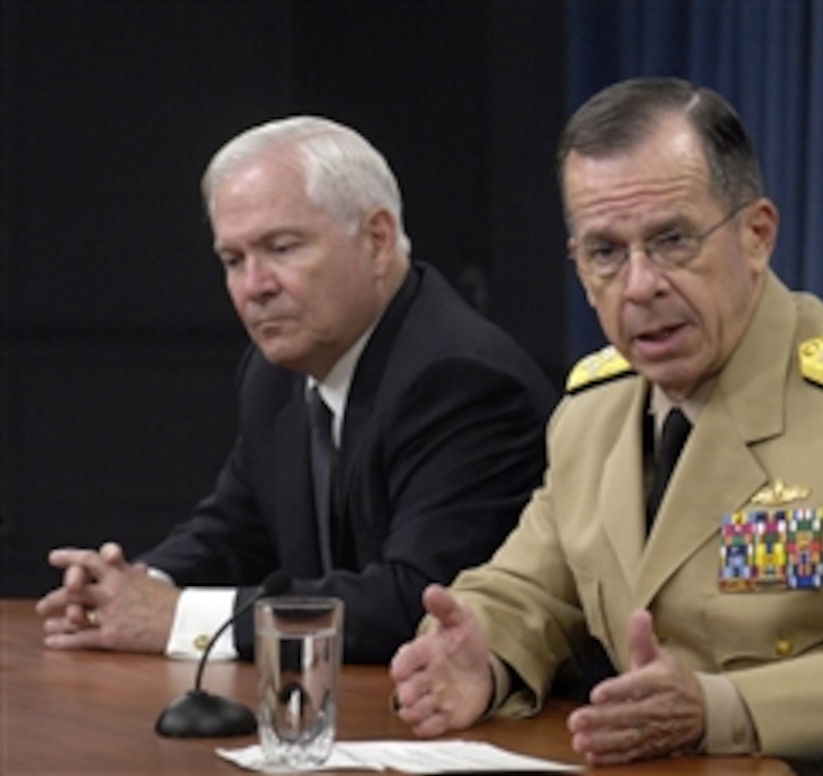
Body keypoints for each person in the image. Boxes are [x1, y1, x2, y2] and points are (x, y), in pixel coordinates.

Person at [389, 78, 823, 774]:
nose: (640, 285)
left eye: (672, 240)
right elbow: (534, 588)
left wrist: (717, 708)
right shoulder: (592, 411)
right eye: (605, 252)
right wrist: (481, 651)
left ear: (757, 235)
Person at [36, 116, 557, 664]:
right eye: (233, 261)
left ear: (377, 241)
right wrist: (128, 584)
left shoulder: (461, 379)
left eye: (282, 248)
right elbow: (235, 532)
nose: (254, 287)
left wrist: (177, 618)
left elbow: (418, 603)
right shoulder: (275, 373)